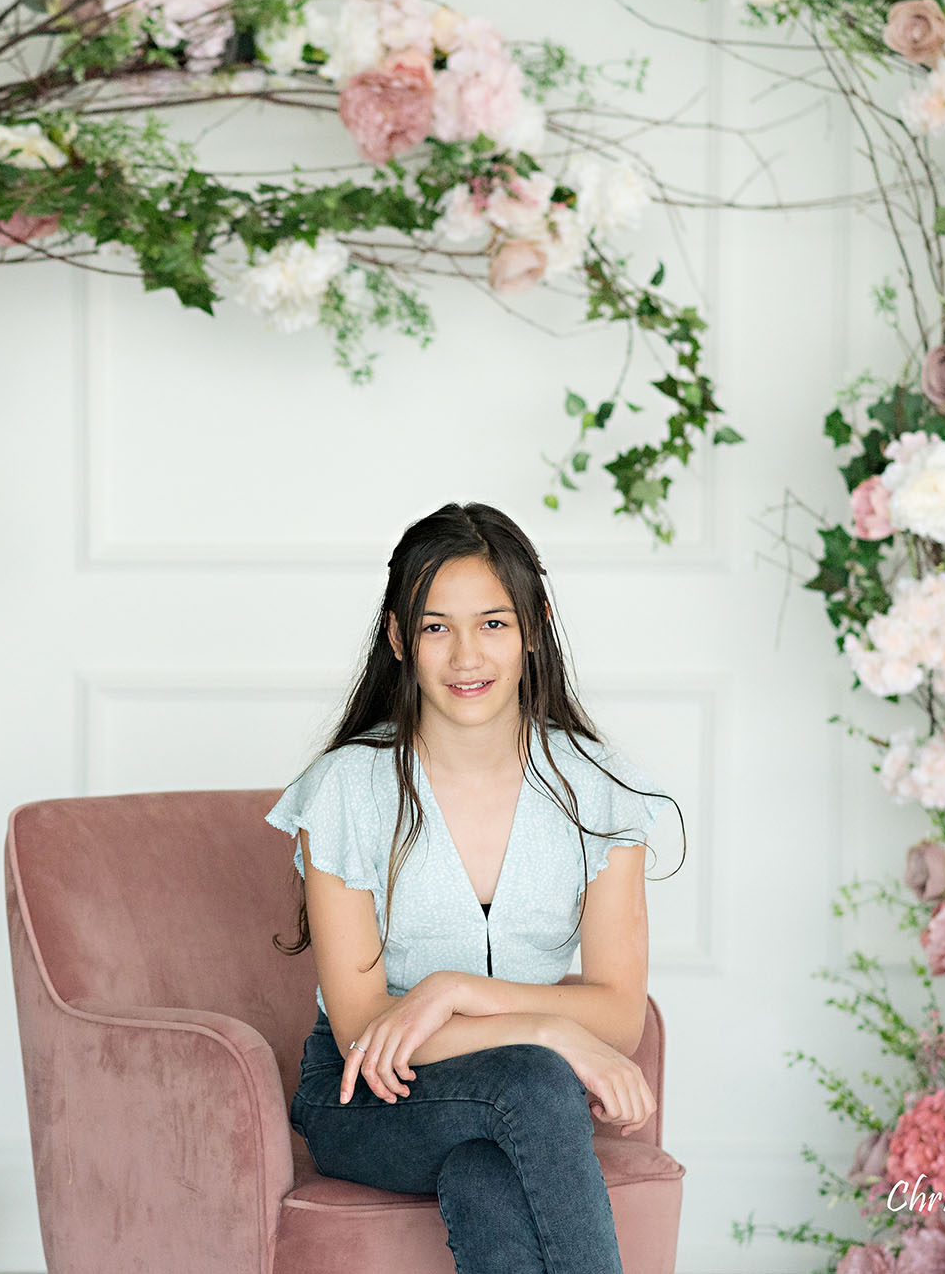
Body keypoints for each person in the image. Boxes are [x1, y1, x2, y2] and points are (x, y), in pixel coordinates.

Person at [267, 501, 684, 1274]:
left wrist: (453, 991)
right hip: (365, 1098)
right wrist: (550, 1031)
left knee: (488, 1170)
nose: (467, 656)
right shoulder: (344, 792)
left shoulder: (603, 792)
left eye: (493, 623)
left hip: (518, 1106)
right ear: (399, 638)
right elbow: (365, 1033)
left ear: (535, 626)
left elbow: (620, 1017)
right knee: (533, 1081)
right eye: (435, 627)